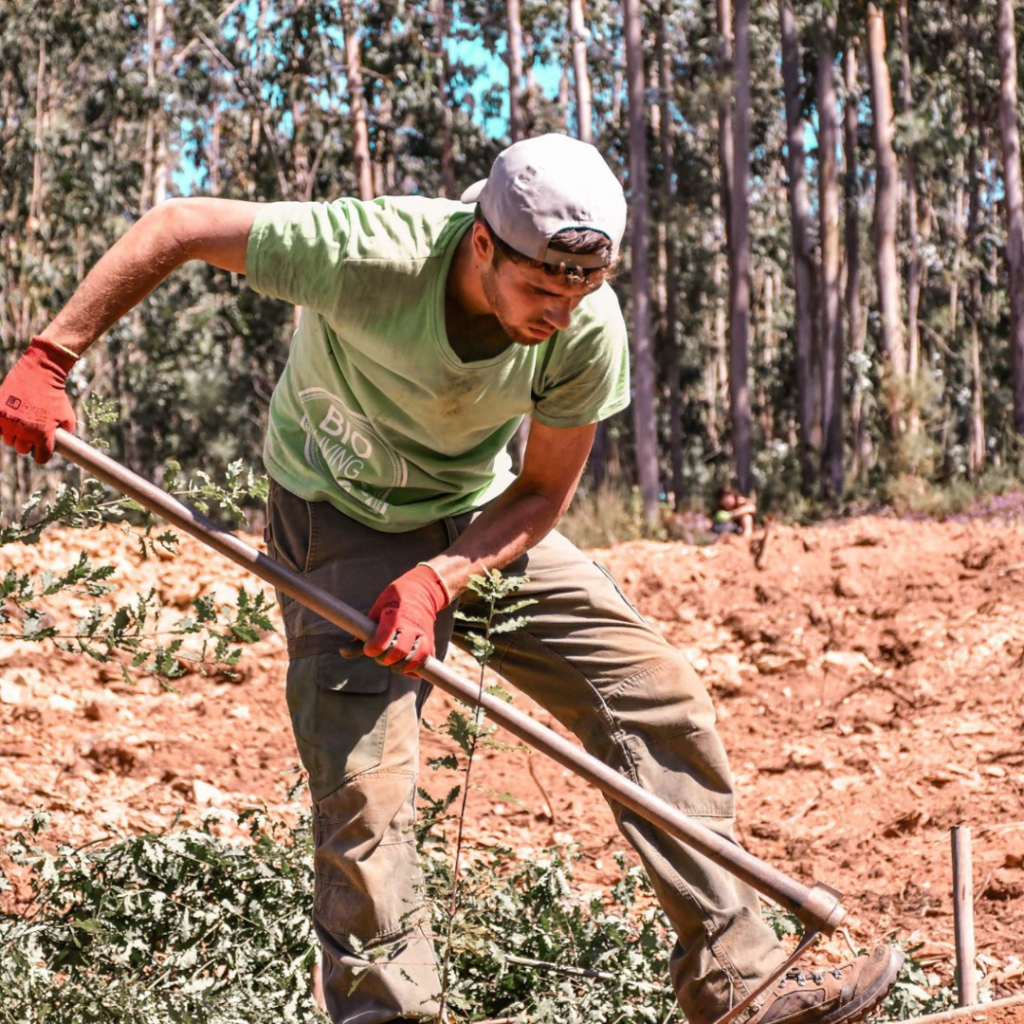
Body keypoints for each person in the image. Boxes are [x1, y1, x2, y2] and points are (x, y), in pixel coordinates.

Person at [0, 134, 903, 1024]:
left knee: (649, 692)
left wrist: (439, 578)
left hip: (477, 517)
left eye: (582, 286)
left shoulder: (586, 328)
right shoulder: (368, 253)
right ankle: (391, 1016)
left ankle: (739, 982)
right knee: (365, 787)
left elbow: (543, 490)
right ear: (482, 243)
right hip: (334, 512)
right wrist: (51, 357)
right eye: (541, 286)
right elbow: (179, 224)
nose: (559, 309)